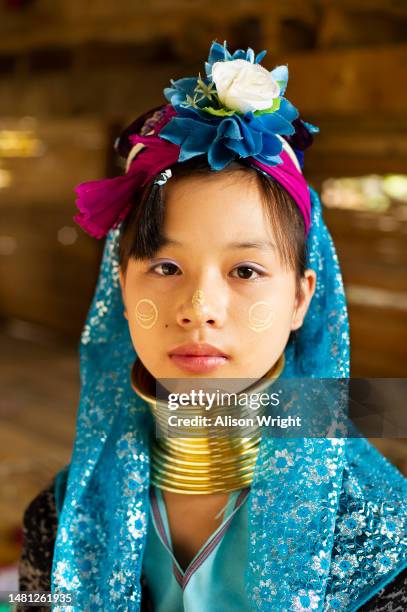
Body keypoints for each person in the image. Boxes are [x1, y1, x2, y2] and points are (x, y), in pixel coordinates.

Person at [18, 40, 406, 611]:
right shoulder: (58, 520)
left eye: (246, 269)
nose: (200, 307)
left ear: (301, 298)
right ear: (122, 289)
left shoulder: (380, 535)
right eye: (166, 266)